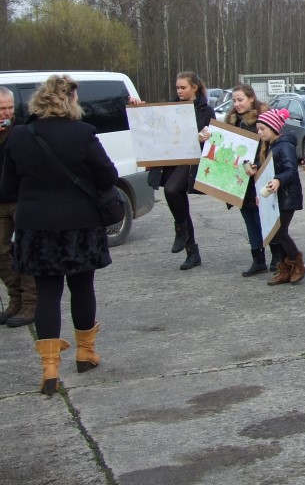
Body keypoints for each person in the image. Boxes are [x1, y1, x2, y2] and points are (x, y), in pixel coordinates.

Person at [0, 76, 118, 394]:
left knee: (47, 294)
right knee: (82, 288)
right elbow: (108, 176)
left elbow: (7, 187)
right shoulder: (83, 133)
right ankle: (85, 353)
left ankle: (50, 368)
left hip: (35, 226)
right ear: (71, 100)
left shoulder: (19, 135)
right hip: (80, 225)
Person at [143, 72, 214, 271]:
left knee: (171, 190)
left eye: (183, 87)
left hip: (191, 160)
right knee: (181, 204)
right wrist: (139, 107)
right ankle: (192, 252)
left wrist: (206, 135)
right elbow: (154, 125)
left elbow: (213, 135)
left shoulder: (205, 109)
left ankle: (180, 229)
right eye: (177, 88)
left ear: (194, 88)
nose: (179, 91)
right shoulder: (171, 107)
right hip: (172, 158)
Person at [252, 108, 305, 285]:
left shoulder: (284, 146)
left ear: (274, 127)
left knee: (280, 232)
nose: (259, 132)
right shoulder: (272, 146)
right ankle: (285, 270)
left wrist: (278, 179)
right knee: (276, 233)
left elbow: (291, 170)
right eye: (258, 129)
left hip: (288, 196)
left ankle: (298, 264)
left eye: (262, 129)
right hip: (277, 197)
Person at [0, 87, 37, 328]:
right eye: (2, 108)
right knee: (1, 251)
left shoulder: (23, 129)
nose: (7, 112)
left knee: (25, 251)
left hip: (21, 199)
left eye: (10, 107)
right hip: (0, 202)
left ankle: (30, 303)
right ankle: (16, 297)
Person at [225, 84, 271, 277]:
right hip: (240, 180)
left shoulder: (264, 119)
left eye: (240, 99)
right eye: (234, 100)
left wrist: (258, 167)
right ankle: (258, 260)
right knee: (249, 219)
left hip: (260, 178)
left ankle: (278, 257)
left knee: (264, 219)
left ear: (251, 98)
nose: (237, 104)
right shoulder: (232, 121)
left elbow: (271, 148)